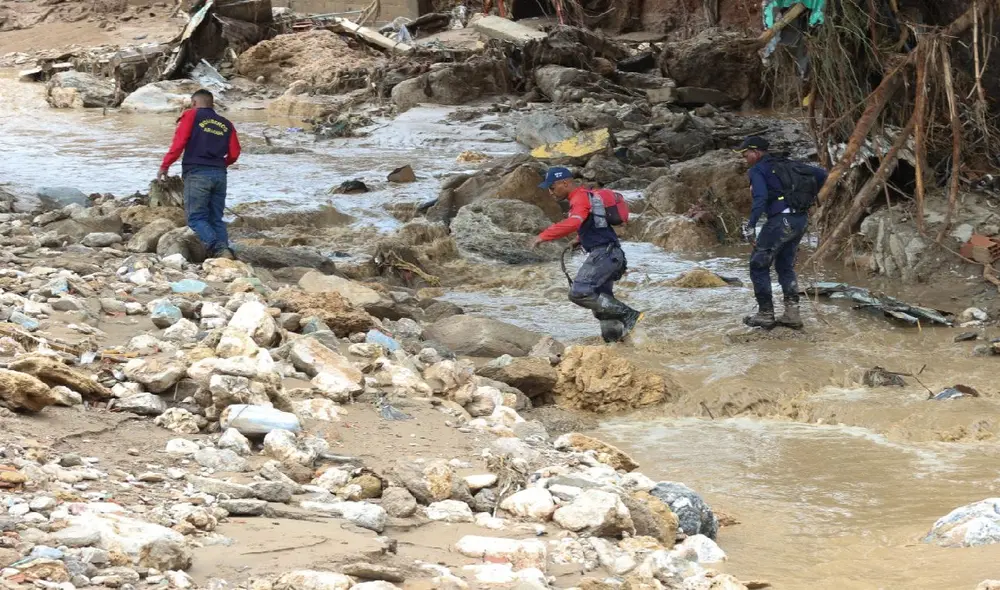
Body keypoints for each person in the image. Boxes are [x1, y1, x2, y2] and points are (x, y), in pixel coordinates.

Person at [531, 167, 643, 342]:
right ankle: (616, 343)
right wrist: (579, 239)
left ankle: (630, 315)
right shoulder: (586, 196)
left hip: (604, 255)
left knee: (579, 292)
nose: (550, 193)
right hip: (610, 254)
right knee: (603, 306)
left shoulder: (579, 198)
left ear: (564, 183)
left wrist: (543, 236)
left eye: (552, 188)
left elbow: (573, 222)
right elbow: (595, 224)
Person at [737, 136, 828, 330]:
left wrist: (751, 225)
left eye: (746, 155)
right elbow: (821, 174)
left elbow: (760, 198)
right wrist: (807, 197)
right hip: (800, 220)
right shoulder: (788, 164)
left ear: (755, 152)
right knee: (785, 266)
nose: (746, 159)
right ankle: (792, 314)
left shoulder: (757, 169)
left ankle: (765, 314)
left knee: (758, 264)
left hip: (780, 221)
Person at [158, 89, 241, 259]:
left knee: (196, 218)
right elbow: (234, 153)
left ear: (194, 103)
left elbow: (179, 143)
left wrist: (165, 165)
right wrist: (220, 164)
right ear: (212, 103)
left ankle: (218, 249)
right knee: (216, 218)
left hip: (196, 173)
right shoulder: (226, 123)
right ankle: (225, 253)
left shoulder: (191, 116)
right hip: (219, 173)